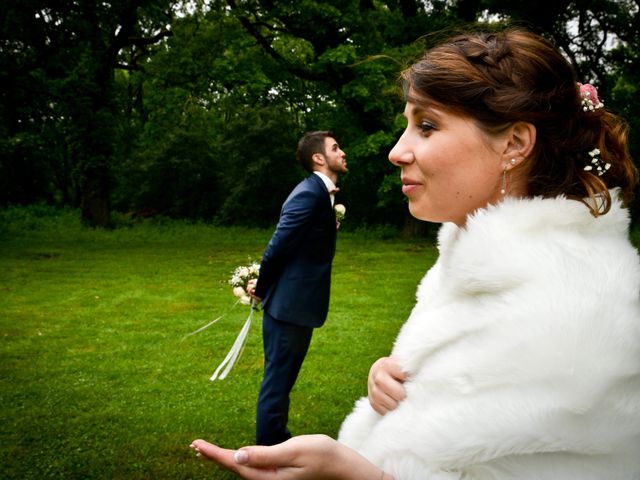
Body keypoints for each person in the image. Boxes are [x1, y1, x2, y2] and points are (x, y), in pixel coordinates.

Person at [191, 28, 640, 479]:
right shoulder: (488, 270)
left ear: (514, 143)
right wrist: (401, 384)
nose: (396, 151)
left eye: (427, 126)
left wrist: (354, 474)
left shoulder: (571, 310)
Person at [248, 130, 348, 446]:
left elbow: (300, 243)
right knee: (277, 382)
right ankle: (269, 447)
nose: (342, 152)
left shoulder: (321, 194)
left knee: (283, 380)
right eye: (335, 148)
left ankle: (276, 439)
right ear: (319, 158)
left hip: (299, 306)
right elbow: (279, 245)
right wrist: (262, 288)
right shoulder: (308, 193)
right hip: (288, 307)